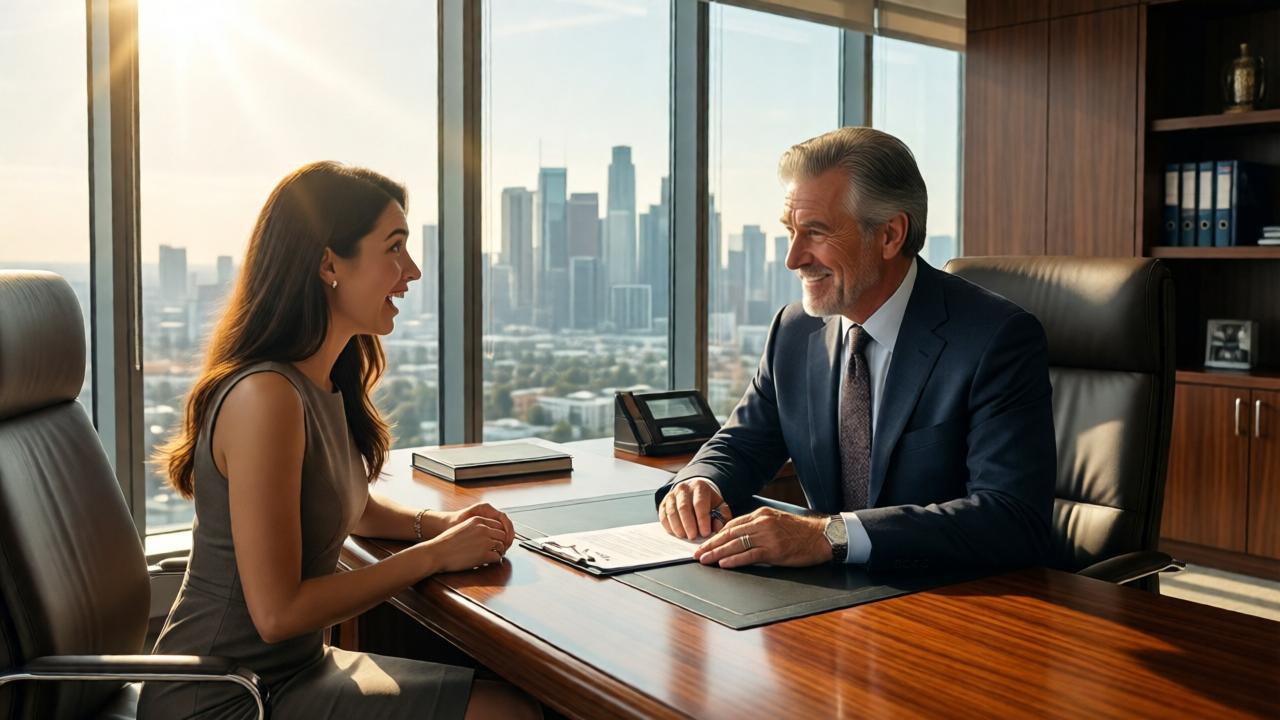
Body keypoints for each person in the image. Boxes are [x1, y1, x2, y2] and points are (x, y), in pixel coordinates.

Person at [139, 162, 541, 719]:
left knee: (511, 698)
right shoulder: (266, 397)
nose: (413, 271)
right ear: (329, 263)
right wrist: (434, 556)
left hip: (289, 673)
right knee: (510, 713)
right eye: (394, 248)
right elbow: (277, 614)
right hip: (227, 697)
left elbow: (355, 509)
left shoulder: (320, 380)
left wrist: (438, 525)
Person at [658, 128, 1056, 572]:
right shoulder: (794, 330)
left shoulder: (995, 339)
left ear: (889, 235)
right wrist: (699, 481)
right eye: (790, 231)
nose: (793, 258)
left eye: (815, 232)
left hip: (951, 601)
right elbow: (743, 444)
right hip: (824, 605)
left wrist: (831, 536)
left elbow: (1012, 517)